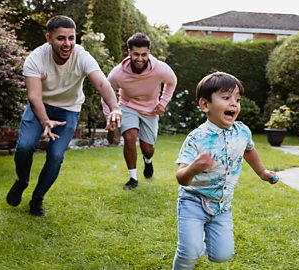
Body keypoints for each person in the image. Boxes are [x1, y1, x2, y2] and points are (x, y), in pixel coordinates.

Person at [6, 15, 122, 216]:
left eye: (71, 38)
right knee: (24, 147)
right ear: (49, 38)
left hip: (68, 110)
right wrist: (44, 120)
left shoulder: (82, 56)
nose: (67, 44)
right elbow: (33, 96)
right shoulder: (35, 58)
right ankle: (22, 180)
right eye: (61, 38)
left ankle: (37, 199)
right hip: (40, 108)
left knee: (56, 155)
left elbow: (103, 84)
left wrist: (115, 107)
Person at [172, 71, 278, 269]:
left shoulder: (242, 132)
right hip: (192, 201)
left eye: (237, 99)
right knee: (188, 252)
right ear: (205, 105)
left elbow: (249, 150)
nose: (234, 104)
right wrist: (194, 168)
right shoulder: (196, 138)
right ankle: (193, 246)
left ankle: (198, 242)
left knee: (223, 255)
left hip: (222, 205)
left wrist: (262, 172)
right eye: (226, 98)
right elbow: (181, 178)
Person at [101, 32, 177, 190]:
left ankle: (148, 161)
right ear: (129, 52)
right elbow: (105, 92)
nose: (140, 58)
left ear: (149, 52)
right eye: (136, 54)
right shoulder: (118, 73)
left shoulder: (160, 69)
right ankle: (133, 178)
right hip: (128, 106)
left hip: (151, 110)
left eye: (144, 54)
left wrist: (162, 103)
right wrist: (110, 116)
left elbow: (172, 82)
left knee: (147, 148)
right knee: (129, 137)